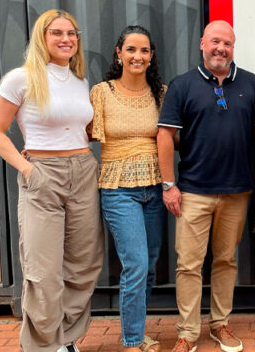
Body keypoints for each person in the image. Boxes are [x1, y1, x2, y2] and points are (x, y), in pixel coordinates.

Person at [0, 9, 103, 352]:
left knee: (83, 264)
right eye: (57, 32)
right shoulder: (20, 79)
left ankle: (65, 338)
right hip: (42, 172)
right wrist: (27, 170)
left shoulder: (80, 80)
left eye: (72, 33)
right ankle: (40, 345)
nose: (66, 39)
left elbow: (79, 129)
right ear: (42, 37)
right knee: (43, 268)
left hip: (83, 171)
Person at [157, 20, 255, 352]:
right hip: (193, 191)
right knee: (189, 264)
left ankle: (219, 325)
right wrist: (169, 185)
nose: (221, 48)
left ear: (234, 48)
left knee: (225, 261)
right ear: (202, 44)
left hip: (238, 191)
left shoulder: (251, 84)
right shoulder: (182, 85)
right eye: (215, 42)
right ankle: (187, 332)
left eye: (228, 43)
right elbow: (164, 135)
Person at [89, 26, 167, 352]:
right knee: (134, 263)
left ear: (151, 57)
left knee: (148, 265)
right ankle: (132, 340)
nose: (138, 56)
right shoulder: (102, 92)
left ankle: (137, 329)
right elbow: (82, 135)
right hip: (118, 188)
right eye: (131, 49)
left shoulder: (161, 93)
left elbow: (172, 138)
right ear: (118, 53)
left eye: (144, 50)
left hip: (155, 187)